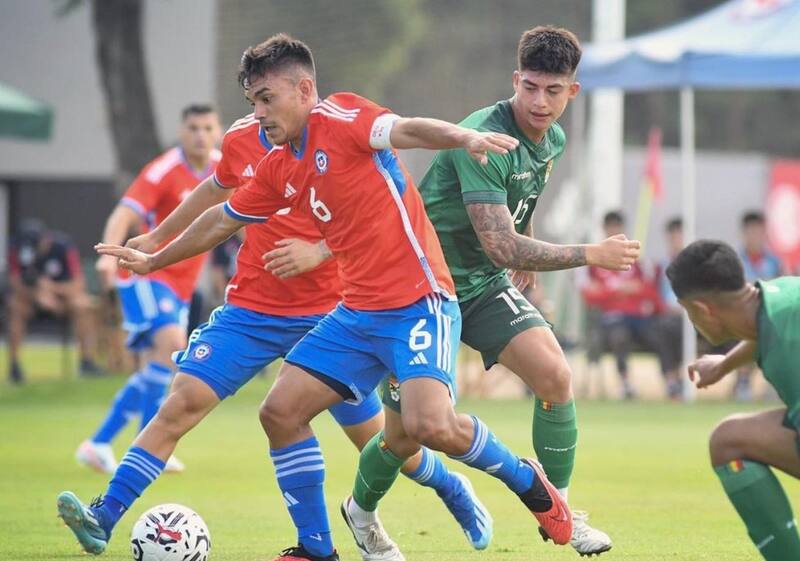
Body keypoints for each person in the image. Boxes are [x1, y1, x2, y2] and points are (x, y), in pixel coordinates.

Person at [88, 33, 573, 561]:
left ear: (304, 89)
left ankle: (527, 481)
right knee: (279, 412)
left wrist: (461, 138)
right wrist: (157, 256)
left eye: (267, 100)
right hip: (354, 312)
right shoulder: (278, 163)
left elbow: (405, 129)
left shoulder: (342, 116)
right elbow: (221, 216)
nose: (259, 113)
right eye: (253, 102)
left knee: (428, 427)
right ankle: (317, 550)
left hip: (419, 300)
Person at [272, 28, 639, 556]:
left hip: (481, 288)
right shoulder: (480, 140)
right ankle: (361, 511)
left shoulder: (552, 139)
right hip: (419, 290)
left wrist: (525, 235)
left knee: (555, 375)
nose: (540, 101)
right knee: (404, 437)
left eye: (553, 91)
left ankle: (557, 508)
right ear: (515, 80)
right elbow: (501, 247)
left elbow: (520, 204)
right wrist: (587, 253)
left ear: (571, 93)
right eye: (530, 87)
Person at [74, 104, 222, 474]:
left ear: (218, 130)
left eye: (207, 127)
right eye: (193, 128)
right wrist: (109, 255)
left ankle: (100, 443)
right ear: (181, 131)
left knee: (158, 366)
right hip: (148, 275)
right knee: (173, 347)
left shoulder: (225, 166)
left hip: (182, 285)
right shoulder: (164, 169)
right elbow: (124, 212)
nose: (200, 135)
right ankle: (150, 447)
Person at [665, 239, 800, 561]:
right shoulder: (779, 296)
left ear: (703, 309)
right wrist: (724, 365)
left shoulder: (786, 348)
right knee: (729, 440)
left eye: (688, 313)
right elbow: (761, 335)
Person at [6, 220, 102, 383]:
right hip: (30, 300)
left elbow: (78, 285)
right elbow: (15, 282)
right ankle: (14, 367)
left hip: (62, 299)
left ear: (45, 241)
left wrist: (50, 289)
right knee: (14, 307)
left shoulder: (63, 247)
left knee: (83, 305)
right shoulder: (18, 249)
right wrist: (38, 294)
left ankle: (86, 362)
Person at [581, 211, 658, 401]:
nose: (614, 230)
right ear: (604, 230)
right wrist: (621, 289)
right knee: (619, 336)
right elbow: (589, 296)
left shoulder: (636, 261)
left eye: (617, 226)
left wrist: (610, 290)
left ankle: (674, 383)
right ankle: (626, 383)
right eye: (610, 227)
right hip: (611, 319)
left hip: (638, 318)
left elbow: (649, 291)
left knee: (663, 331)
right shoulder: (593, 261)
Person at [732, 210, 783, 401]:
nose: (755, 236)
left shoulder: (774, 262)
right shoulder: (734, 261)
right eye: (751, 231)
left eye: (758, 231)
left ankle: (776, 382)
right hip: (740, 316)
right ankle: (743, 381)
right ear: (744, 233)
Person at [653, 217, 686, 399]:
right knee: (664, 328)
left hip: (693, 318)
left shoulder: (697, 265)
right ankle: (672, 380)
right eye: (673, 236)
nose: (677, 240)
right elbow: (655, 294)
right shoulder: (662, 266)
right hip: (668, 316)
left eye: (680, 235)